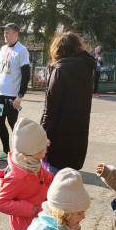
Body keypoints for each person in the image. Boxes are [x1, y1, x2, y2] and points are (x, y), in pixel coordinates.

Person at [40, 31, 96, 173]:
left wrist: (42, 137)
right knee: (70, 183)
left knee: (53, 186)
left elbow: (50, 110)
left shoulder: (59, 70)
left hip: (59, 141)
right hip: (79, 137)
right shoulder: (87, 70)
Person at [0, 23, 30, 161]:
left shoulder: (22, 50)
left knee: (14, 125)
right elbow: (1, 72)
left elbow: (26, 75)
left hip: (13, 96)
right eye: (4, 33)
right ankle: (6, 151)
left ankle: (21, 153)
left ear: (16, 34)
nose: (5, 35)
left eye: (8, 33)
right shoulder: (3, 49)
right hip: (1, 95)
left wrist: (20, 96)